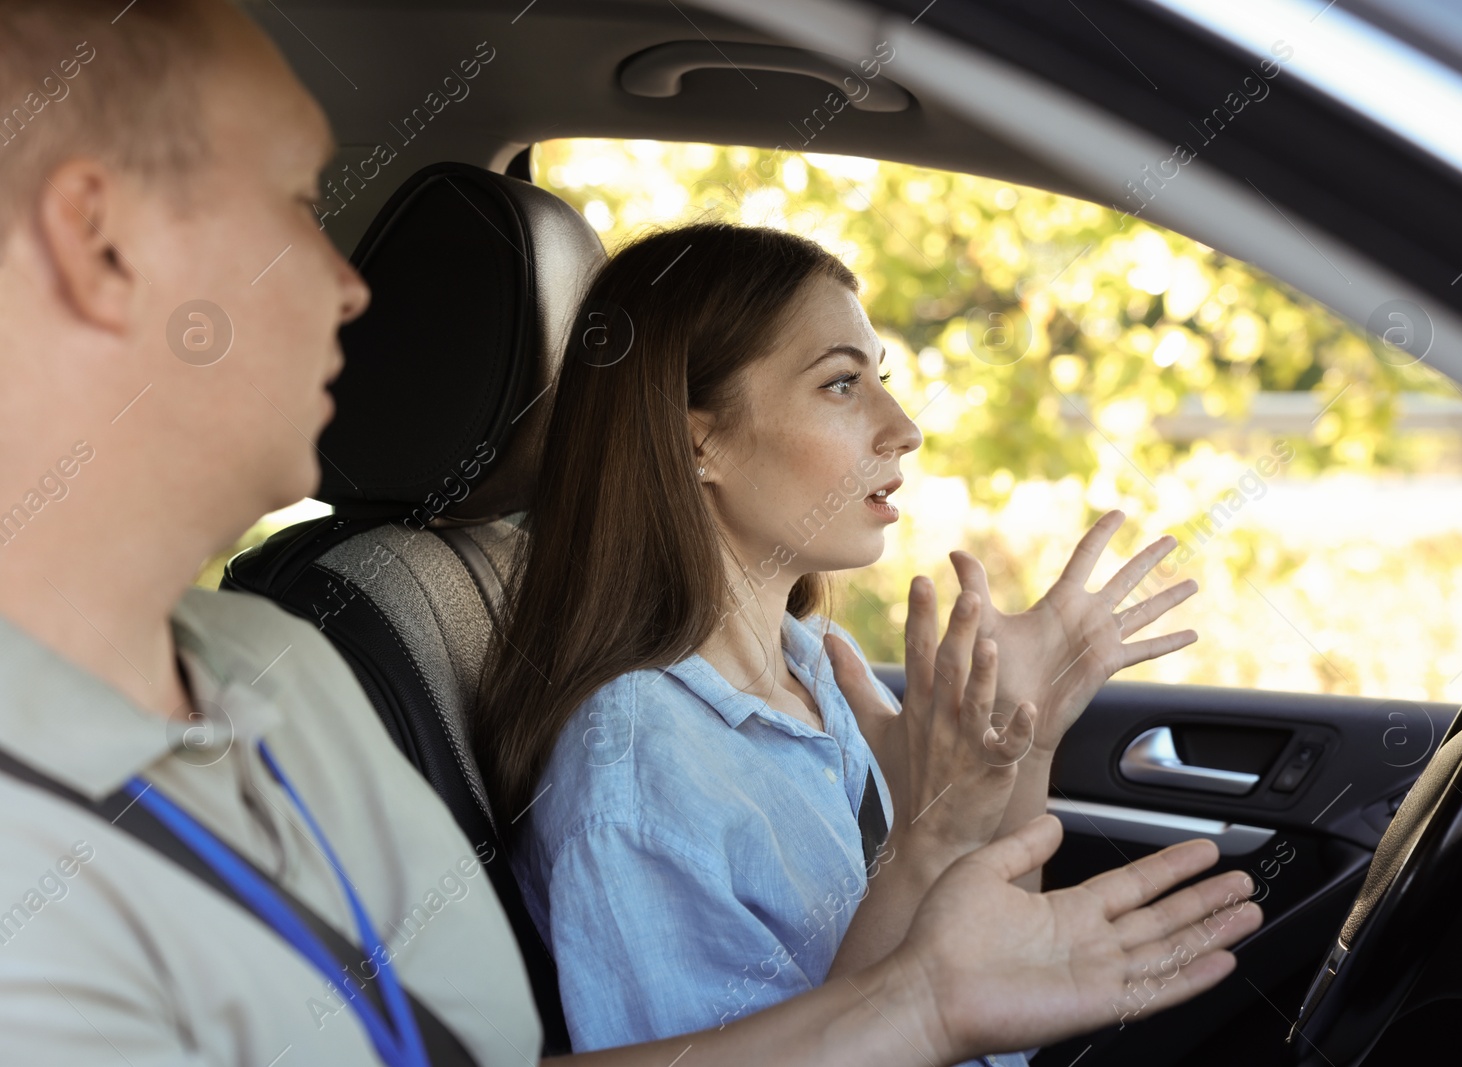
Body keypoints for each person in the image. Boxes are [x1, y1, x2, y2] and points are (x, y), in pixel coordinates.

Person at [0, 1, 1261, 1064]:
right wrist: (925, 915)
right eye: (291, 199)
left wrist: (979, 798)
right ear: (96, 238)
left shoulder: (266, 673)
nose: (345, 284)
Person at [473, 221, 1222, 1062]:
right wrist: (927, 840)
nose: (903, 426)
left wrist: (1024, 738)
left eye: (883, 380)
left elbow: (986, 973)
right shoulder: (636, 771)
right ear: (697, 441)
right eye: (840, 384)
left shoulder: (818, 665)